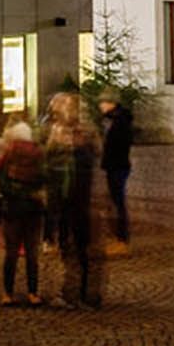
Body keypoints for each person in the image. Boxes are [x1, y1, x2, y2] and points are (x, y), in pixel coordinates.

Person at [42, 93, 102, 308]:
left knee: (77, 248)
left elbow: (92, 157)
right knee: (73, 247)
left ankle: (77, 294)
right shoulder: (65, 131)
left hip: (75, 200)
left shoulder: (78, 133)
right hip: (69, 200)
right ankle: (78, 293)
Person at [0, 121, 46, 306]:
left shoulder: (10, 152)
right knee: (32, 253)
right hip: (34, 208)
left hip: (13, 207)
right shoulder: (39, 153)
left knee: (11, 253)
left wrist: (9, 190)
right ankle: (33, 293)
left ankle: (8, 293)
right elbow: (45, 176)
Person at [98, 93, 135, 254]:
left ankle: (122, 239)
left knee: (118, 203)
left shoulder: (119, 121)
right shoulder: (112, 119)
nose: (100, 106)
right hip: (115, 165)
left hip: (117, 165)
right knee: (115, 202)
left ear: (111, 103)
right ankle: (118, 237)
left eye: (102, 103)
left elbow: (117, 144)